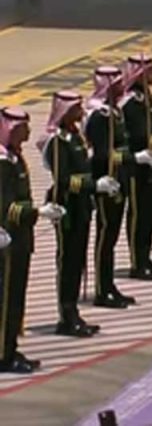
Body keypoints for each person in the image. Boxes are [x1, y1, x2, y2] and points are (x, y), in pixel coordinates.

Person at [0, 106, 64, 373]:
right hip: (8, 241)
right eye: (22, 129)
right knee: (5, 299)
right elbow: (8, 208)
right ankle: (3, 355)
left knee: (16, 297)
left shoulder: (14, 157)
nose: (27, 134)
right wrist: (37, 212)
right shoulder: (3, 163)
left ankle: (9, 346)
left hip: (20, 239)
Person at [38, 91, 99, 336]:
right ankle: (66, 314)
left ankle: (73, 309)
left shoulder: (76, 136)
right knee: (68, 261)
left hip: (81, 205)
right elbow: (64, 180)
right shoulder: (58, 142)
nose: (81, 112)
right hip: (66, 207)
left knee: (78, 258)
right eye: (76, 108)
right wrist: (92, 184)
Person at [86, 65, 143, 309]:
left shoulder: (115, 112)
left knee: (112, 237)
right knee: (105, 237)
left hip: (119, 180)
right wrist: (131, 157)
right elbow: (102, 155)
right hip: (106, 182)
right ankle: (102, 288)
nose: (122, 86)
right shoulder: (100, 117)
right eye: (117, 83)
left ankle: (109, 285)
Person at [120, 54, 152, 280]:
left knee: (150, 214)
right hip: (138, 169)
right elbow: (134, 136)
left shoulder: (148, 98)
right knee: (139, 215)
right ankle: (137, 262)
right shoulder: (130, 103)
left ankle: (146, 257)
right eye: (149, 71)